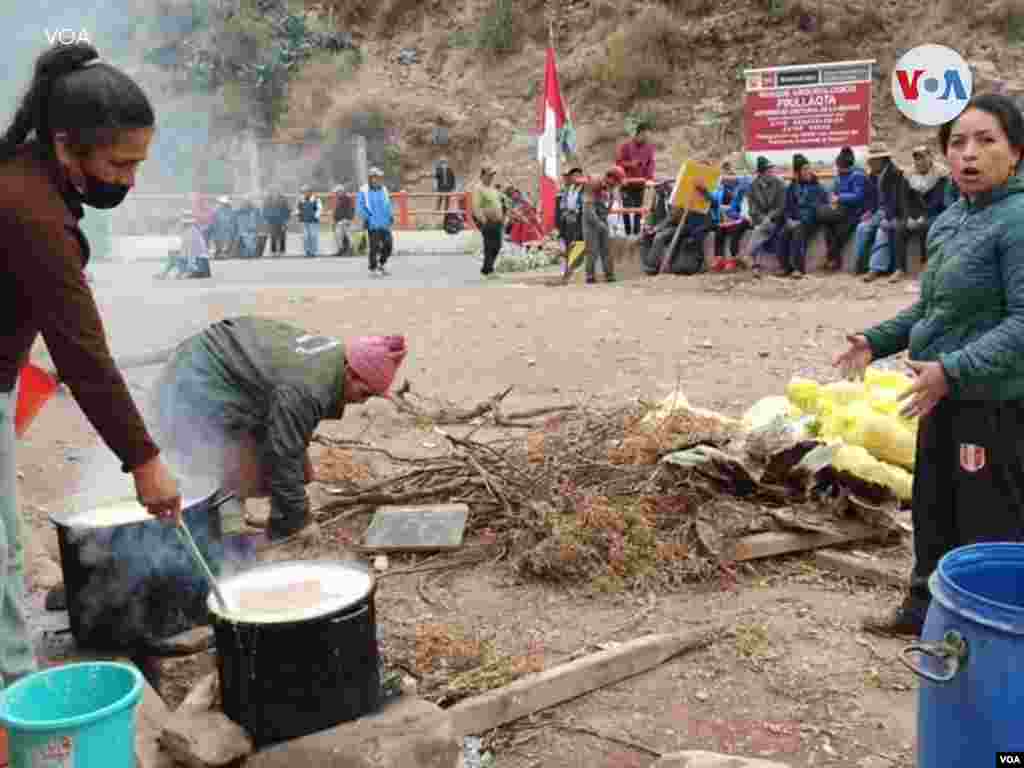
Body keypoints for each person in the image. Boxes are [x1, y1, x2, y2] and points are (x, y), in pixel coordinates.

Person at [0, 41, 182, 690]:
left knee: (8, 550)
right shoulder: (31, 211)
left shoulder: (27, 175)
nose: (129, 179)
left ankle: (14, 684)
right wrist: (144, 459)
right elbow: (81, 353)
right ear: (66, 145)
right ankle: (16, 712)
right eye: (119, 162)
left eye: (139, 162)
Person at [834, 93, 1024, 637]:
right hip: (941, 394)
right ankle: (924, 611)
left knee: (989, 519)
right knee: (934, 507)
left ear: (1015, 153)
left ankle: (987, 634)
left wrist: (953, 369)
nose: (969, 154)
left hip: (994, 402)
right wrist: (875, 340)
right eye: (958, 143)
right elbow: (929, 308)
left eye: (987, 141)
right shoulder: (950, 222)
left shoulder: (1016, 221)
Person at [153, 318, 408, 547]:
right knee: (227, 458)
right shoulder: (308, 388)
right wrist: (297, 522)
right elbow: (283, 453)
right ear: (350, 372)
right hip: (197, 379)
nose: (361, 402)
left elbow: (291, 439)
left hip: (228, 369)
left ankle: (232, 523)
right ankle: (225, 532)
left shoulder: (330, 360)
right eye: (363, 393)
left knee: (295, 466)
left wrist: (291, 508)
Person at [860, 143, 910, 283]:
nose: (869, 162)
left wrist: (890, 217)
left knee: (883, 229)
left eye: (872, 160)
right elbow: (872, 198)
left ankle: (876, 268)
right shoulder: (874, 175)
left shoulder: (896, 174)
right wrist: (870, 211)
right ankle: (861, 266)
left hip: (896, 213)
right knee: (862, 228)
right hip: (880, 212)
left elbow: (897, 200)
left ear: (881, 160)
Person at [817, 146, 867, 271]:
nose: (838, 169)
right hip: (841, 210)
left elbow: (858, 196)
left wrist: (839, 198)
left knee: (838, 229)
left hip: (854, 212)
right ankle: (834, 260)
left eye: (839, 166)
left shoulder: (858, 175)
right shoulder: (840, 176)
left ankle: (830, 258)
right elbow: (832, 192)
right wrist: (832, 197)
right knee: (828, 226)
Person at [778, 154, 827, 278]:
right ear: (798, 172)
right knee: (783, 233)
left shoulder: (816, 186)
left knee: (799, 232)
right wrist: (789, 219)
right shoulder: (792, 186)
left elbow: (816, 207)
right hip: (794, 219)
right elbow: (787, 206)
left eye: (808, 168)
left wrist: (800, 221)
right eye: (804, 169)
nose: (807, 171)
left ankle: (798, 268)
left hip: (810, 220)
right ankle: (785, 267)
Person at [578, 166, 625, 284]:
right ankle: (590, 277)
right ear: (609, 177)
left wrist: (604, 219)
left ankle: (610, 276)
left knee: (607, 249)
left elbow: (609, 204)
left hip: (602, 219)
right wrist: (598, 223)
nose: (617, 185)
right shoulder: (593, 183)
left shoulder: (612, 187)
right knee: (592, 250)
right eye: (616, 181)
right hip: (590, 220)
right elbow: (588, 208)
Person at [906, 145, 950, 268]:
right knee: (900, 227)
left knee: (925, 226)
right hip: (919, 213)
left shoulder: (941, 174)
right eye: (917, 159)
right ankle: (899, 268)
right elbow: (909, 200)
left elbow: (937, 200)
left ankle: (926, 264)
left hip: (938, 211)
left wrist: (923, 217)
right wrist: (911, 216)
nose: (919, 162)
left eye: (922, 158)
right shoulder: (910, 174)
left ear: (930, 158)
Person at [746, 156, 787, 273]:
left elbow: (781, 206)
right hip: (760, 220)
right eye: (769, 171)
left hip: (777, 218)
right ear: (761, 174)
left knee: (760, 230)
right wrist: (763, 218)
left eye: (772, 171)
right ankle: (755, 265)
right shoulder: (753, 186)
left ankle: (750, 258)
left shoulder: (779, 184)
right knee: (760, 228)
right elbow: (752, 209)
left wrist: (769, 217)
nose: (772, 174)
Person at [615, 123, 655, 236]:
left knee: (638, 209)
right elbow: (618, 163)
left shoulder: (649, 148)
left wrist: (649, 178)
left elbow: (651, 164)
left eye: (648, 137)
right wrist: (631, 164)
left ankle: (637, 233)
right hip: (626, 183)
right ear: (639, 133)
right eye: (645, 136)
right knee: (626, 209)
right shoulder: (625, 146)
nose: (646, 139)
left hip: (640, 184)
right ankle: (627, 233)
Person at [358, 167, 394, 276]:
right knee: (374, 247)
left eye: (379, 177)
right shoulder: (363, 190)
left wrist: (390, 216)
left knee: (389, 245)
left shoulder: (383, 189)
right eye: (375, 177)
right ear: (370, 178)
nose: (377, 179)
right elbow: (360, 207)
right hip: (372, 223)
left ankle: (382, 264)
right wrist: (366, 218)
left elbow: (387, 204)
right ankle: (373, 268)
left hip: (384, 222)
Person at [471, 165, 505, 277]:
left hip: (497, 221)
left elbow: (498, 203)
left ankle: (487, 269)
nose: (491, 177)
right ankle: (488, 270)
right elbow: (476, 207)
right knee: (490, 245)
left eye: (492, 175)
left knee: (498, 245)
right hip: (487, 221)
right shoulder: (478, 188)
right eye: (489, 175)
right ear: (482, 176)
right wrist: (483, 220)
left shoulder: (492, 188)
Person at [157, 211, 211, 279]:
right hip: (203, 266)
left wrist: (189, 271)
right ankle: (165, 273)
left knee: (174, 255)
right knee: (174, 254)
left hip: (199, 266)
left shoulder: (189, 233)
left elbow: (191, 253)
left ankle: (165, 273)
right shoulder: (192, 231)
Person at [262, 187, 290, 257]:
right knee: (273, 235)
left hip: (282, 220)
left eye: (277, 191)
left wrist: (286, 220)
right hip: (272, 220)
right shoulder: (268, 199)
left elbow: (287, 209)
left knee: (282, 235)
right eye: (274, 191)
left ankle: (282, 250)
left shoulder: (284, 199)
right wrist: (265, 219)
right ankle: (273, 251)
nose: (275, 192)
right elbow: (265, 209)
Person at [296, 185, 322, 258]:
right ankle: (307, 251)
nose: (305, 193)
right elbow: (298, 208)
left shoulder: (316, 199)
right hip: (303, 220)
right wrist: (298, 213)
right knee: (305, 237)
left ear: (310, 192)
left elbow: (319, 209)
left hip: (313, 221)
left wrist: (316, 216)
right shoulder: (301, 199)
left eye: (306, 191)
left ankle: (313, 252)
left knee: (313, 236)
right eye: (303, 192)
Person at [332, 183, 354, 257]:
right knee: (338, 235)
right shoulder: (339, 199)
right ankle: (341, 250)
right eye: (336, 193)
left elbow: (351, 209)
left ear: (341, 191)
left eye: (337, 192)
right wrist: (335, 219)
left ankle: (351, 250)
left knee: (348, 235)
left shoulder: (347, 198)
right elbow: (337, 211)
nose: (336, 194)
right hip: (339, 221)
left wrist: (348, 219)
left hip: (345, 220)